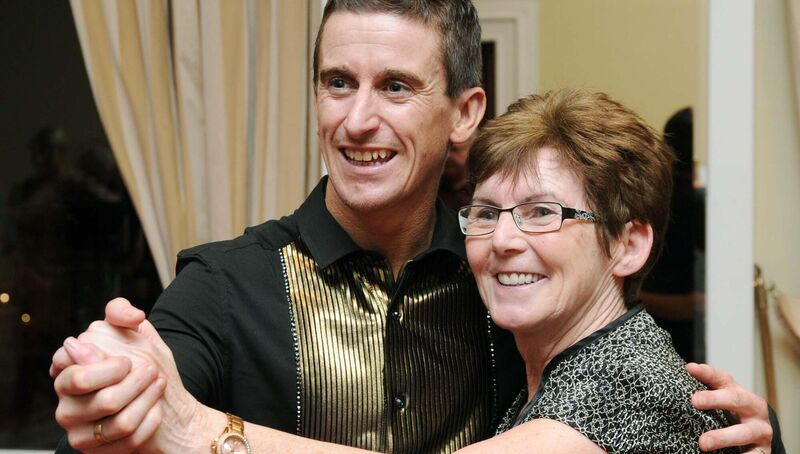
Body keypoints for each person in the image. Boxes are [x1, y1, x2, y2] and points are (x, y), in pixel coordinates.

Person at [50, 1, 779, 453]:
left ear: (465, 112)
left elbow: (631, 390)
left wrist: (748, 436)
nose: (357, 118)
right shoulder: (225, 285)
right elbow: (130, 402)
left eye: (395, 86)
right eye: (338, 83)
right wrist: (112, 391)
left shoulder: (510, 295)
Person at [454, 89, 741, 452]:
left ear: (627, 245)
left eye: (542, 212)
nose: (501, 239)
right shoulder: (554, 373)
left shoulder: (631, 384)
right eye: (487, 213)